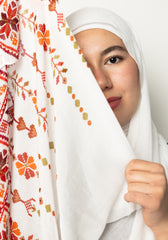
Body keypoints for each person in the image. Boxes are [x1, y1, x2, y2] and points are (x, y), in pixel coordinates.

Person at [66, 7, 168, 240]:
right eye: (81, 67)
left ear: (138, 63)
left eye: (113, 59)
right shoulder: (37, 180)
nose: (101, 82)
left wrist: (163, 223)